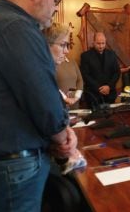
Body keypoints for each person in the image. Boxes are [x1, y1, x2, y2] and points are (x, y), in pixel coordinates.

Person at [0, 0, 77, 211]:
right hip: (12, 165)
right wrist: (63, 138)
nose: (56, 6)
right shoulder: (16, 27)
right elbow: (41, 98)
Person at [42, 23, 86, 173]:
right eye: (63, 45)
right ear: (45, 45)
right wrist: (65, 138)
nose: (67, 51)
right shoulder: (40, 73)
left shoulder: (67, 64)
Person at [80, 31, 121, 109]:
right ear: (93, 42)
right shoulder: (85, 56)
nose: (101, 46)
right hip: (93, 95)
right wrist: (99, 88)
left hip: (110, 94)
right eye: (98, 43)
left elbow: (117, 72)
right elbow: (85, 75)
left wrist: (109, 86)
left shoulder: (112, 54)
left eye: (103, 43)